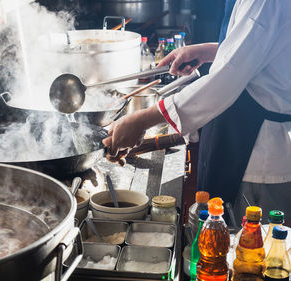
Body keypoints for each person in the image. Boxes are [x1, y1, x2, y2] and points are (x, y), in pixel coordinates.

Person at [103, 0, 291, 224]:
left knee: (245, 251)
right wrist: (210, 51)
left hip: (259, 157)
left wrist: (140, 120)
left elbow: (224, 82)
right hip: (241, 141)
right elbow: (261, 46)